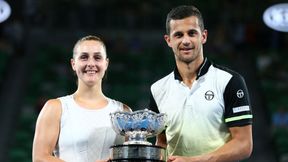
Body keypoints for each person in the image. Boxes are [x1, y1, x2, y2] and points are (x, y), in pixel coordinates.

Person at [148, 5, 253, 162]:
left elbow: (244, 144)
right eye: (178, 35)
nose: (185, 40)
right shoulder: (158, 89)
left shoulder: (230, 81)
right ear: (168, 40)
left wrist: (195, 161)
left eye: (192, 33)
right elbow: (162, 142)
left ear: (203, 36)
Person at [32, 35, 131, 162]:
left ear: (106, 64)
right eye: (84, 57)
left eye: (97, 57)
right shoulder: (55, 108)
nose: (91, 63)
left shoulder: (124, 111)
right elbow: (40, 158)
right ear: (73, 64)